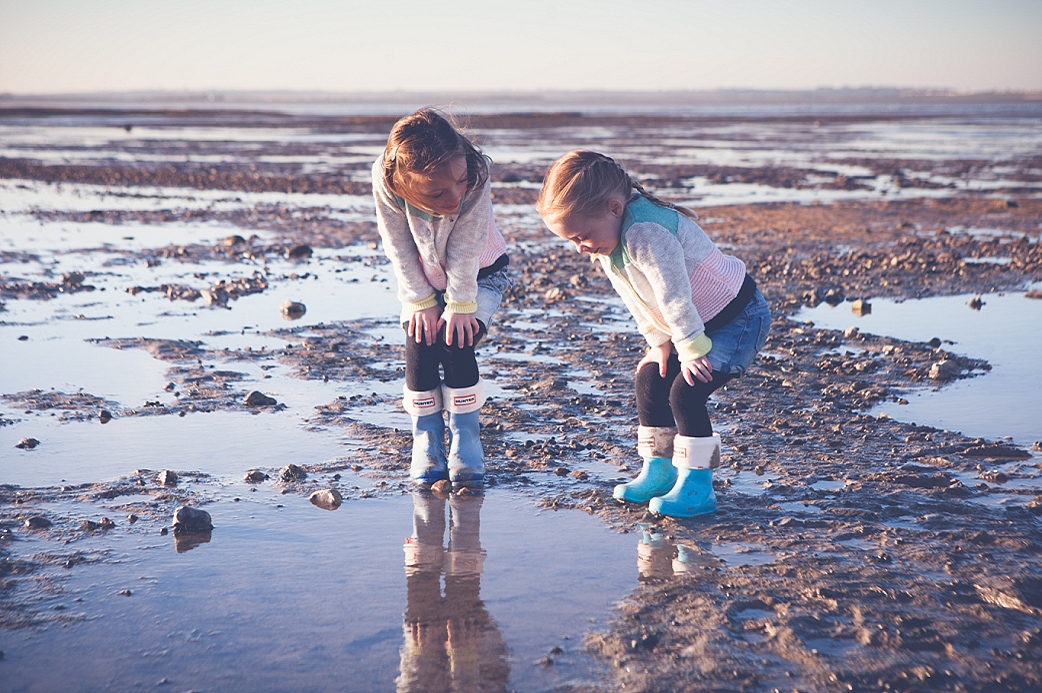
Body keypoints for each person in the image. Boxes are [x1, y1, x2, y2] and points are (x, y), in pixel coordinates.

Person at [536, 150, 771, 518]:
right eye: (571, 240)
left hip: (738, 320)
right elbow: (636, 296)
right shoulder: (608, 241)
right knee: (650, 376)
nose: (579, 247)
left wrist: (691, 349)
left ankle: (697, 484)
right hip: (696, 322)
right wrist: (659, 343)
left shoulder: (646, 232)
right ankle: (659, 471)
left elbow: (672, 294)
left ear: (614, 208)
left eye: (582, 236)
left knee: (686, 392)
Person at [373, 108, 511, 486]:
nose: (454, 196)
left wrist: (460, 304)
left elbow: (468, 247)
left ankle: (466, 439)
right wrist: (419, 299)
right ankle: (427, 440)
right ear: (404, 186)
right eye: (437, 193)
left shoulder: (475, 175)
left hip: (480, 275)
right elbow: (397, 243)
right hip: (423, 280)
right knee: (420, 340)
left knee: (456, 340)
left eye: (459, 182)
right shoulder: (386, 179)